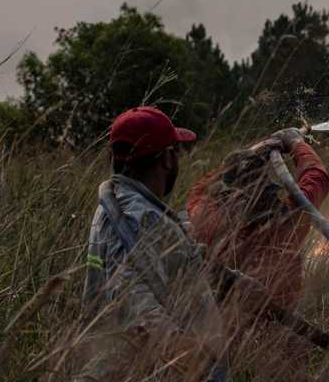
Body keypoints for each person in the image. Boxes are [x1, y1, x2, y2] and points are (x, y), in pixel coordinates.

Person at [79, 106, 227, 381]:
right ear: (168, 158)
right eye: (177, 150)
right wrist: (180, 347)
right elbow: (128, 291)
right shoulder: (134, 217)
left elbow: (160, 257)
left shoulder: (123, 205)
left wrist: (230, 279)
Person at [186, 127, 329, 369]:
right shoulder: (289, 221)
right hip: (281, 342)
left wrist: (250, 154)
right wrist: (295, 142)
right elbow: (317, 176)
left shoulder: (207, 221)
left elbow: (197, 191)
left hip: (224, 346)